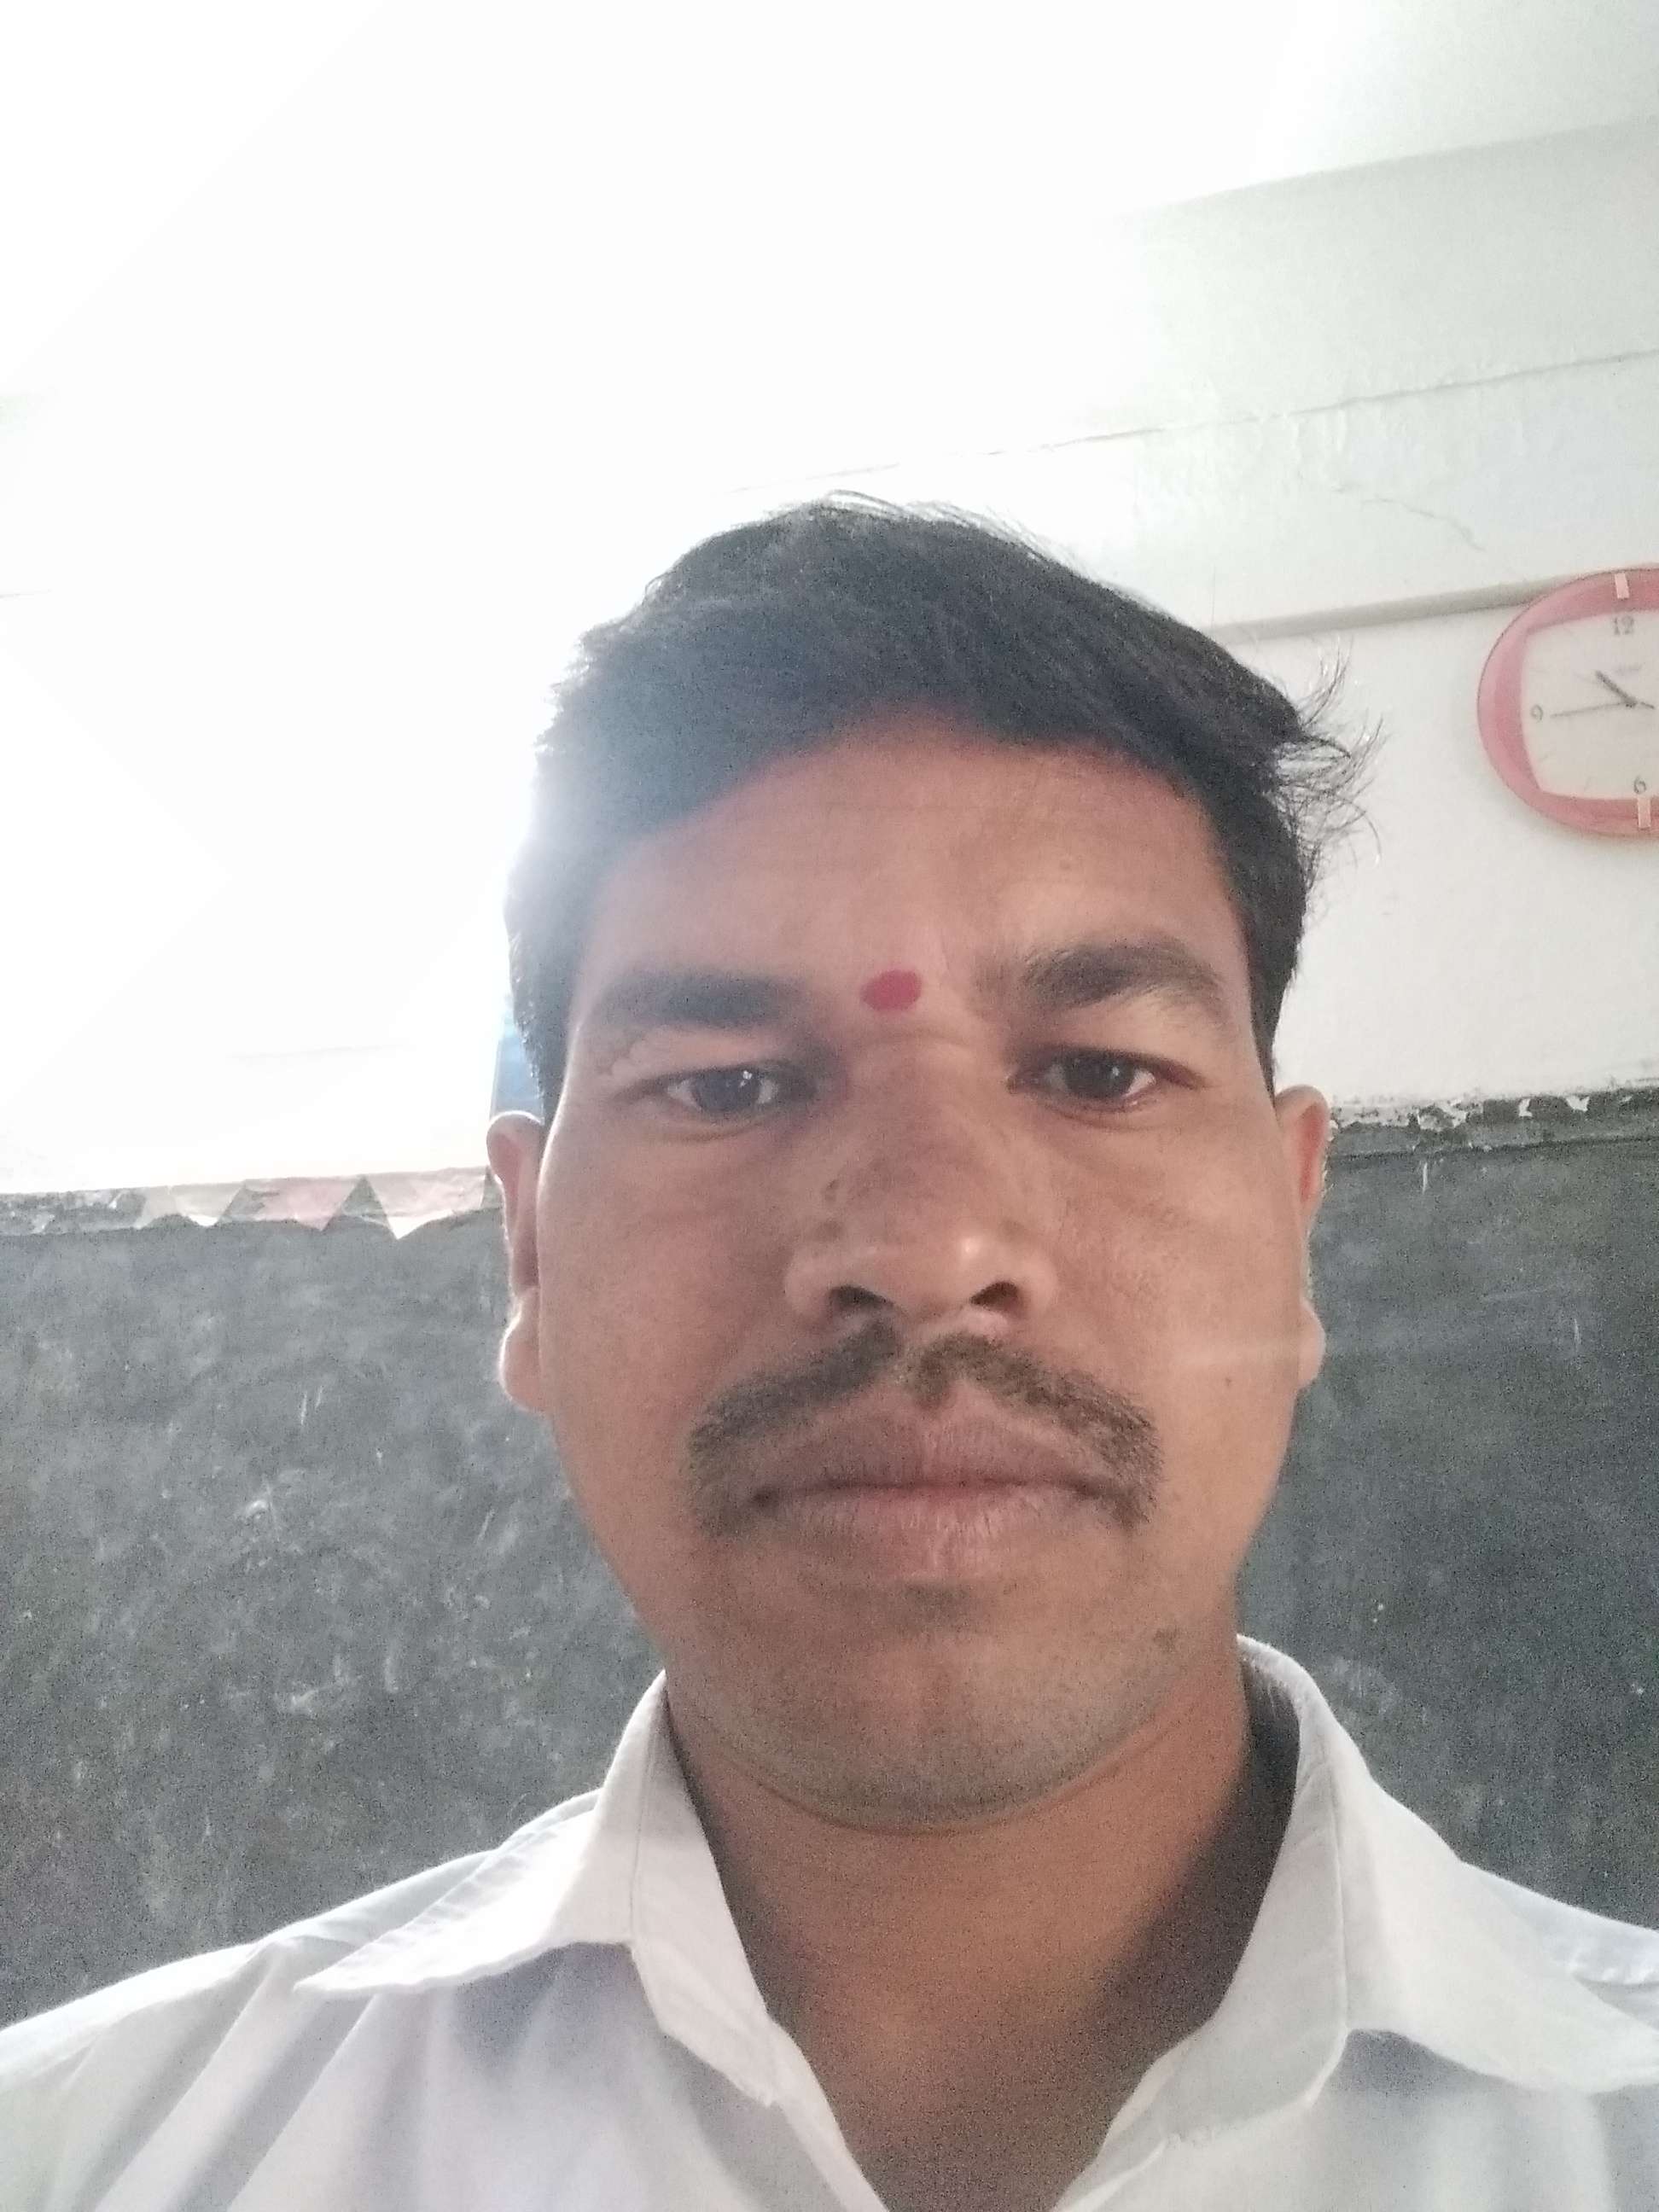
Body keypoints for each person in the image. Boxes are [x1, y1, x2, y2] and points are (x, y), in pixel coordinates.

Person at [3, 499, 1655, 2212]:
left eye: (1099, 1072)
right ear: (530, 1252)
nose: (924, 1252)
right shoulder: (92, 2158)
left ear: (1296, 1221)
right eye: (723, 1084)